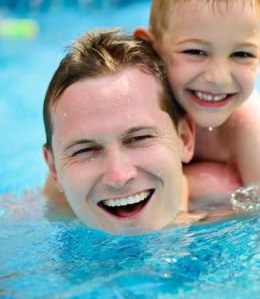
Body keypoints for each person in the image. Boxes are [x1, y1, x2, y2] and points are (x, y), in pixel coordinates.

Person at [42, 28, 237, 235]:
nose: (118, 177)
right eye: (84, 150)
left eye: (138, 138)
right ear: (54, 169)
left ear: (185, 139)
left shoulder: (234, 209)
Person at [134, 0, 260, 198]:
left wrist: (187, 192)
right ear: (150, 49)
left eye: (242, 55)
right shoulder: (134, 105)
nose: (220, 77)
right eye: (195, 51)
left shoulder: (244, 120)